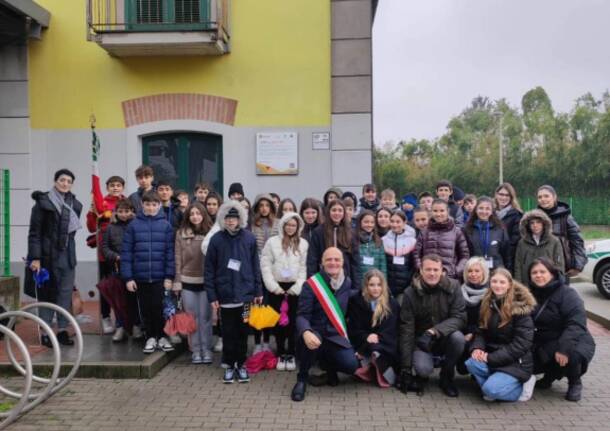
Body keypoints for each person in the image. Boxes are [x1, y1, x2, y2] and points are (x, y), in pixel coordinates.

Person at [204, 201, 263, 383]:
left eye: (234, 218)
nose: (231, 221)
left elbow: (255, 266)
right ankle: (230, 365)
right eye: (228, 218)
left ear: (240, 219)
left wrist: (258, 290)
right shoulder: (216, 240)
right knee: (228, 332)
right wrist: (212, 296)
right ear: (223, 219)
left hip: (245, 297)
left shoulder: (249, 238)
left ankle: (242, 364)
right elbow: (209, 270)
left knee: (243, 332)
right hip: (226, 297)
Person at [291, 247, 360, 402]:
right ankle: (301, 379)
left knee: (351, 365)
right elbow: (302, 315)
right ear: (322, 262)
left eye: (337, 259)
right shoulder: (311, 284)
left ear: (342, 262)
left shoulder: (346, 283)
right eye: (329, 259)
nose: (333, 263)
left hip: (335, 335)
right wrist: (306, 331)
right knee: (308, 340)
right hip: (316, 332)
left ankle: (330, 371)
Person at [26, 168, 83, 347]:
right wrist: (35, 258)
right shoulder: (42, 203)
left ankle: (63, 331)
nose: (65, 183)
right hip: (47, 256)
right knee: (47, 294)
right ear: (55, 181)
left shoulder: (76, 205)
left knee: (65, 294)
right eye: (62, 180)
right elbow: (34, 233)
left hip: (67, 256)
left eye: (69, 181)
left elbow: (71, 234)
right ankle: (45, 331)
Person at [398, 254, 466, 397]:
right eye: (428, 269)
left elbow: (459, 318)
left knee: (458, 338)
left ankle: (446, 377)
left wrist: (434, 331)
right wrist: (406, 368)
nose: (432, 273)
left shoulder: (454, 287)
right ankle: (422, 375)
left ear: (442, 270)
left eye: (436, 269)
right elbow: (407, 330)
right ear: (421, 270)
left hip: (445, 338)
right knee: (423, 369)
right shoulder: (410, 293)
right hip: (421, 342)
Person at [528, 258, 595, 402]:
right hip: (545, 341)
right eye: (534, 273)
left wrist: (564, 348)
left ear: (552, 273)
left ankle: (575, 382)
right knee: (529, 364)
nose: (538, 275)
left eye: (542, 272)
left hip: (574, 339)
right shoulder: (528, 294)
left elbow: (576, 324)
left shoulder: (567, 293)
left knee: (571, 354)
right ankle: (550, 375)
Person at [465, 268, 537, 402]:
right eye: (494, 281)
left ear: (510, 284)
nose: (498, 285)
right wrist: (477, 349)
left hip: (515, 362)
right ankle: (495, 383)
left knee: (490, 390)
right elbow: (481, 331)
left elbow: (522, 345)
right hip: (493, 357)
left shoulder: (520, 308)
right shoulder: (487, 302)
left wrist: (490, 357)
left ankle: (523, 387)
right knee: (471, 363)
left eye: (502, 282)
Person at [121, 191, 175, 354]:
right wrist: (128, 277)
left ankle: (163, 336)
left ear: (159, 206)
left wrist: (169, 276)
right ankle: (150, 337)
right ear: (142, 205)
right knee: (145, 309)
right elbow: (126, 253)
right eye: (147, 204)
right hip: (141, 277)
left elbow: (169, 253)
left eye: (154, 204)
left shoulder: (166, 225)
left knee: (161, 308)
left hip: (160, 277)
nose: (150, 207)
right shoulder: (133, 226)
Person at [260, 212, 309, 371]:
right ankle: (281, 352)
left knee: (293, 322)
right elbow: (265, 265)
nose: (290, 228)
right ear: (282, 225)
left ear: (298, 227)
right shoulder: (272, 242)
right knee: (278, 322)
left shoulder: (303, 244)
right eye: (288, 224)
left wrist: (297, 287)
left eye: (293, 225)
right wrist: (273, 287)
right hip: (277, 288)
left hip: (295, 288)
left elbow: (303, 267)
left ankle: (291, 352)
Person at [174, 202, 213, 364]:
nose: (195, 216)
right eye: (192, 214)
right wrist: (177, 281)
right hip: (187, 281)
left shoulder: (212, 233)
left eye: (198, 213)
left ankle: (206, 349)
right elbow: (177, 259)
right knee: (192, 317)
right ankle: (196, 350)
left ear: (203, 215)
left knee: (205, 317)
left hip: (206, 281)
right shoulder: (181, 233)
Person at [86, 175, 126, 335]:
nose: (115, 188)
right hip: (105, 253)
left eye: (118, 185)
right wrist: (92, 212)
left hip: (123, 251)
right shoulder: (100, 202)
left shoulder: (126, 202)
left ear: (123, 187)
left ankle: (122, 319)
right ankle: (105, 316)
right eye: (112, 185)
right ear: (107, 187)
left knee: (122, 286)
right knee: (106, 286)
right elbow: (91, 227)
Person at [348, 269, 400, 388]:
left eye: (379, 285)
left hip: (384, 341)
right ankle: (369, 367)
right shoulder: (357, 301)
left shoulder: (391, 303)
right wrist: (366, 336)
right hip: (363, 340)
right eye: (372, 285)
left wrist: (376, 337)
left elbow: (390, 328)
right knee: (352, 360)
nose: (376, 288)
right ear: (366, 285)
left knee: (376, 350)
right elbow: (354, 327)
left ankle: (378, 371)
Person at [101, 198, 139, 342]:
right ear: (116, 212)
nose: (123, 214)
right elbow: (105, 247)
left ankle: (136, 326)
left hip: (134, 269)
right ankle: (120, 327)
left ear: (132, 212)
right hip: (117, 268)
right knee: (118, 301)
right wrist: (115, 256)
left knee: (134, 300)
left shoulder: (136, 225)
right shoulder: (110, 227)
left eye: (126, 211)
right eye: (120, 211)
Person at [306, 199, 360, 288]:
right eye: (334, 210)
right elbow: (312, 260)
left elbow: (355, 262)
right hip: (323, 280)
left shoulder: (351, 233)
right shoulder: (319, 232)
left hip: (345, 280)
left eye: (340, 210)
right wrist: (313, 283)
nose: (337, 213)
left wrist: (356, 286)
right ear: (328, 212)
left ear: (344, 213)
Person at [536, 185, 587, 277]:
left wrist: (577, 266)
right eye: (540, 197)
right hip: (539, 268)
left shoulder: (566, 218)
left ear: (554, 197)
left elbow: (577, 242)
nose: (543, 199)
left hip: (561, 268)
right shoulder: (534, 218)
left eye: (546, 196)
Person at [250, 194, 279, 353]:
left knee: (268, 308)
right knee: (256, 308)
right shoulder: (252, 225)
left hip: (273, 272)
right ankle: (256, 343)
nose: (264, 208)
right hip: (256, 271)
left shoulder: (278, 223)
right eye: (261, 205)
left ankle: (267, 342)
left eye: (267, 205)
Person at [414, 199, 470, 280]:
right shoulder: (424, 232)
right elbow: (416, 255)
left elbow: (465, 256)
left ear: (447, 211)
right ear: (431, 212)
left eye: (442, 210)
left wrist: (455, 271)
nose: (438, 214)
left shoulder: (457, 232)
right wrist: (422, 270)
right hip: (428, 278)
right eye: (435, 211)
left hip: (449, 278)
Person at [514, 210, 564, 283]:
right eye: (532, 223)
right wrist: (519, 285)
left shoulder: (554, 241)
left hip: (548, 282)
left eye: (538, 222)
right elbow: (517, 265)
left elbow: (559, 264)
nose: (535, 225)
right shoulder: (522, 243)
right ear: (527, 225)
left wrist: (558, 281)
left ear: (544, 224)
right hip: (528, 282)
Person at [463, 196, 512, 271]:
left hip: (496, 271)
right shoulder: (467, 229)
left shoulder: (500, 229)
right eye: (481, 208)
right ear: (476, 210)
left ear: (492, 211)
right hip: (475, 272)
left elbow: (506, 253)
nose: (484, 211)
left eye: (487, 209)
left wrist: (507, 271)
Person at [382, 210, 416, 300]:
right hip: (387, 286)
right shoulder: (384, 240)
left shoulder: (412, 241)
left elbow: (413, 265)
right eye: (392, 221)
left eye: (398, 222)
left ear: (404, 222)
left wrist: (409, 282)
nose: (394, 224)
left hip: (405, 287)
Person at [356, 210, 387, 277]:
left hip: (375, 281)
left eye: (372, 222)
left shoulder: (378, 241)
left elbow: (382, 265)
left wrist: (383, 282)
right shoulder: (354, 240)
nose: (369, 225)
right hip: (359, 280)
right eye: (366, 222)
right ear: (360, 222)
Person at [494, 182, 522, 255]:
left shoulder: (517, 216)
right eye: (501, 194)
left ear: (511, 197)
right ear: (496, 195)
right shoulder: (490, 213)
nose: (504, 198)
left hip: (508, 256)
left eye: (507, 195)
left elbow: (515, 240)